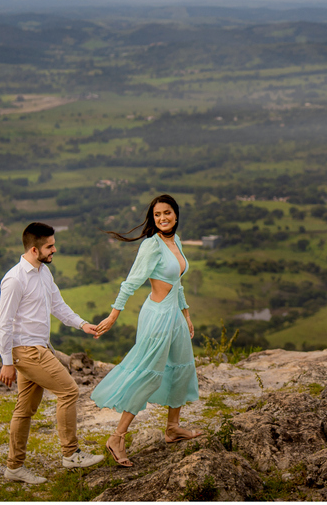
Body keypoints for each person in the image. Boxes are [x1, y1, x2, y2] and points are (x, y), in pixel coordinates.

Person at [90, 194, 201, 468]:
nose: (162, 218)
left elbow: (177, 283)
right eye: (157, 215)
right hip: (157, 317)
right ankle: (117, 437)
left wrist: (186, 315)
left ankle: (173, 428)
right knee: (148, 374)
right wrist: (114, 314)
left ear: (176, 214)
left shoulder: (176, 242)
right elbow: (131, 282)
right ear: (153, 219)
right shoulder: (151, 246)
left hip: (174, 314)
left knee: (182, 368)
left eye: (167, 213)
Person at [0, 222, 104, 484]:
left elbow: (58, 305)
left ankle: (14, 467)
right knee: (69, 391)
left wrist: (82, 324)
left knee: (25, 409)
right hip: (27, 350)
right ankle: (71, 454)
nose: (54, 249)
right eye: (50, 246)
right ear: (34, 249)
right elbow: (4, 323)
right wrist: (7, 362)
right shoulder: (14, 279)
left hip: (40, 347)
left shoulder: (44, 272)